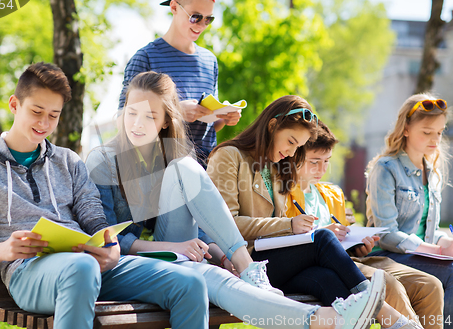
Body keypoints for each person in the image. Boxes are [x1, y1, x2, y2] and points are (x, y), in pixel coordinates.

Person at [87, 71, 388, 329]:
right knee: (209, 278)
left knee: (216, 271)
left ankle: (322, 315)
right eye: (132, 112)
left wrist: (222, 256)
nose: (137, 124)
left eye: (150, 116)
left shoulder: (171, 159)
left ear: (166, 121)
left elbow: (202, 226)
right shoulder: (104, 159)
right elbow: (112, 239)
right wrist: (172, 247)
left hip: (176, 253)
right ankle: (323, 316)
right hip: (130, 261)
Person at [0, 62, 223, 329]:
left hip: (89, 263)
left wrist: (111, 247)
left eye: (53, 115)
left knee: (189, 284)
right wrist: (5, 249)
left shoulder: (68, 162)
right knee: (81, 268)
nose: (44, 123)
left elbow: (95, 220)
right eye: (36, 111)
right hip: (29, 272)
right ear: (14, 105)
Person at [207, 95, 421, 329]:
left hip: (276, 262)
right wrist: (289, 225)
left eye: (297, 146)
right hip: (246, 264)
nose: (290, 152)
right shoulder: (228, 156)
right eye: (290, 141)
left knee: (329, 282)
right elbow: (226, 224)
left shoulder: (277, 167)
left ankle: (375, 308)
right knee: (322, 237)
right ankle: (383, 309)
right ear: (271, 126)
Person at [289, 120, 443, 329]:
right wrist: (324, 233)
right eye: (314, 161)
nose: (322, 169)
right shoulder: (285, 195)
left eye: (327, 161)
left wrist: (359, 244)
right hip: (323, 266)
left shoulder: (331, 193)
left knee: (430, 285)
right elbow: (288, 242)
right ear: (295, 156)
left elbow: (345, 237)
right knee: (389, 286)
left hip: (352, 260)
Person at [119, 0, 242, 167]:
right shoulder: (145, 58)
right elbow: (123, 120)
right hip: (160, 170)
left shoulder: (210, 61)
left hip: (206, 171)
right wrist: (174, 112)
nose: (201, 25)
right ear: (174, 7)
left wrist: (224, 117)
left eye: (208, 19)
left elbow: (207, 129)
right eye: (195, 17)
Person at [366, 93, 453, 326]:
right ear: (405, 129)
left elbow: (427, 229)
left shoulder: (433, 173)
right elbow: (386, 233)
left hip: (422, 256)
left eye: (440, 132)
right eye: (426, 132)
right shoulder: (385, 168)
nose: (435, 139)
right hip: (387, 256)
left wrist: (444, 242)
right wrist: (435, 250)